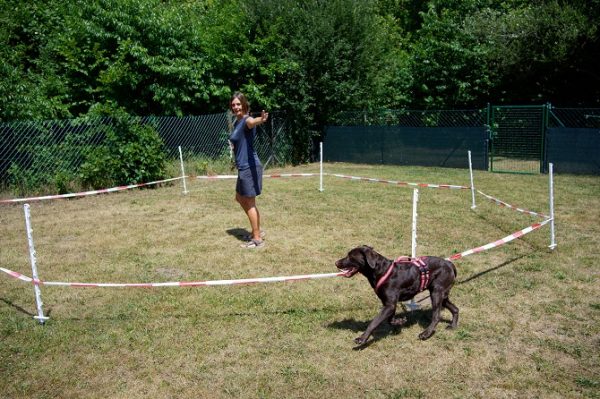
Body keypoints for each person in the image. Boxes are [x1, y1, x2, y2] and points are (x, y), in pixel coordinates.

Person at [228, 92, 269, 248]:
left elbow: (252, 122)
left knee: (250, 202)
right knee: (239, 198)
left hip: (250, 166)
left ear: (244, 104)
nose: (236, 107)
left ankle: (257, 238)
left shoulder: (246, 120)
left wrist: (261, 119)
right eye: (233, 105)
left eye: (238, 104)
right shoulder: (237, 122)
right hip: (242, 166)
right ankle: (256, 229)